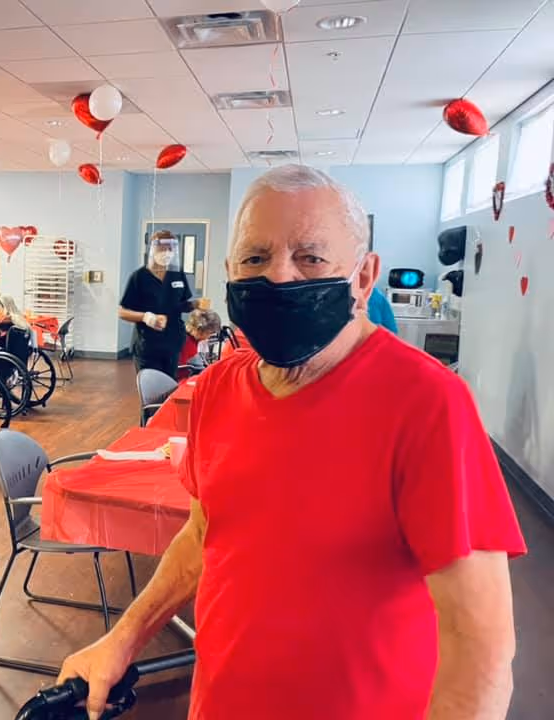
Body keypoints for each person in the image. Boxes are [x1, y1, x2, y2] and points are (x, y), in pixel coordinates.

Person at [59, 165, 525, 720]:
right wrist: (125, 637)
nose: (279, 277)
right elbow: (205, 531)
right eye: (256, 258)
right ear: (230, 273)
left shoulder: (428, 403)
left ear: (363, 277)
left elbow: (480, 649)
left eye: (310, 257)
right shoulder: (216, 389)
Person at [119, 231, 203, 378]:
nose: (167, 252)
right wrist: (146, 317)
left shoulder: (177, 274)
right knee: (151, 387)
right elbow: (122, 312)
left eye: (171, 248)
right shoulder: (139, 277)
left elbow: (181, 305)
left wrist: (195, 305)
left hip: (173, 344)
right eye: (163, 248)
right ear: (153, 249)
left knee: (170, 385)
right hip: (148, 345)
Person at [179, 309, 222, 374]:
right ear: (199, 330)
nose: (209, 336)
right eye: (209, 333)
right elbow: (182, 370)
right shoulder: (188, 344)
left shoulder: (189, 339)